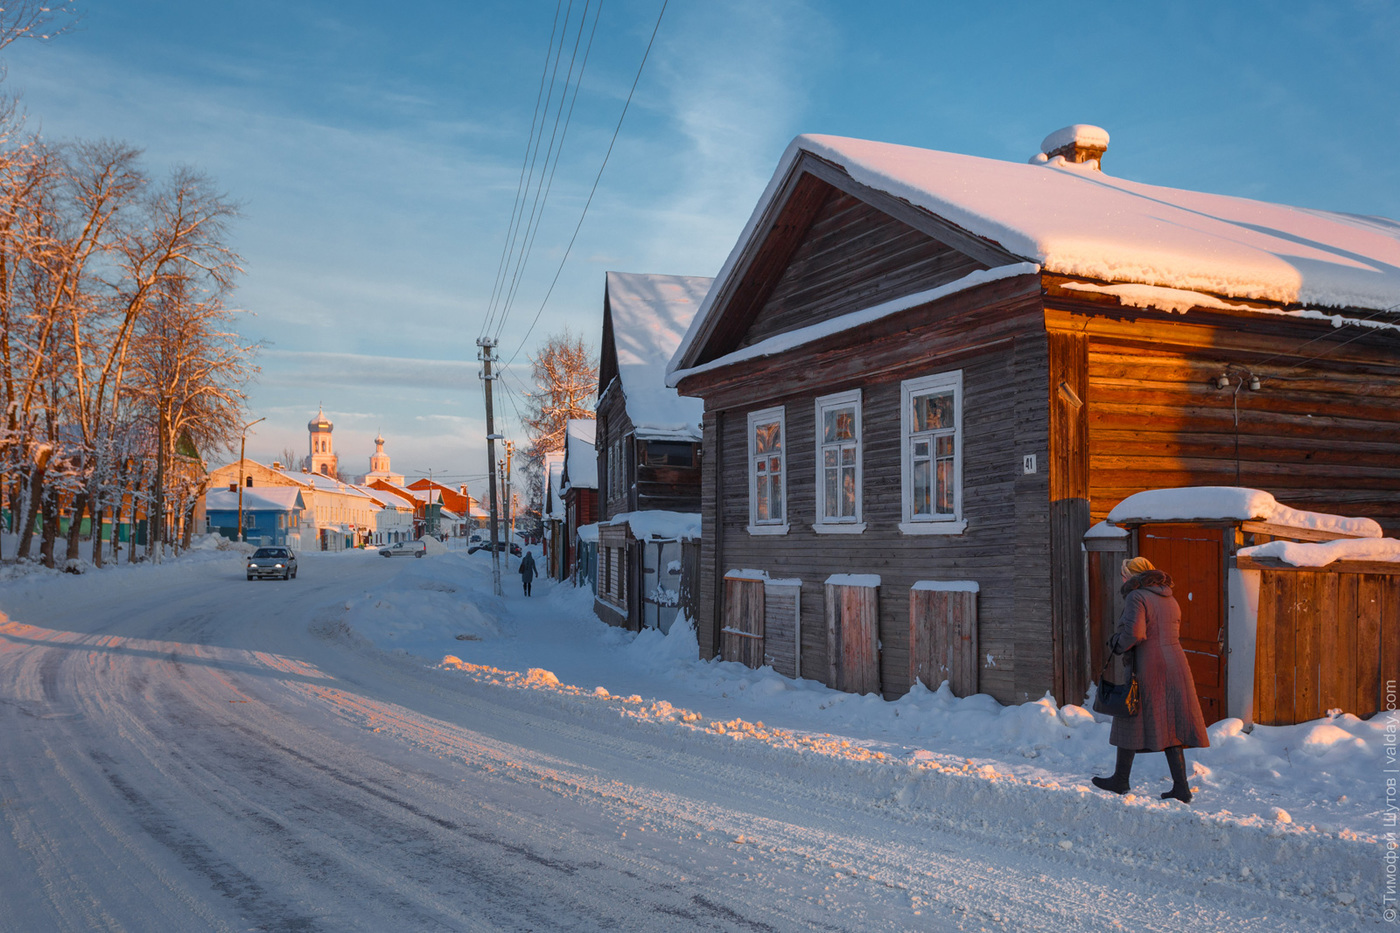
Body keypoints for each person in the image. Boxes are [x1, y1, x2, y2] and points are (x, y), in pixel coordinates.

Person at [1091, 556, 1210, 803]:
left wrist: (1116, 643)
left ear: (1132, 576)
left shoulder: (1137, 596)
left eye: (1124, 575)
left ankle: (1120, 780)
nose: (1122, 579)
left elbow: (1135, 633)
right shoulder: (1169, 597)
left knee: (1129, 715)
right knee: (1172, 723)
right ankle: (1181, 788)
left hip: (1149, 665)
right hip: (1175, 663)